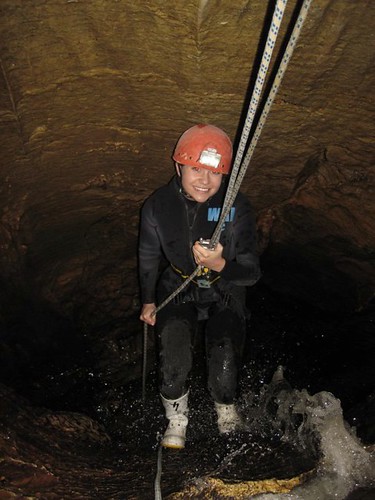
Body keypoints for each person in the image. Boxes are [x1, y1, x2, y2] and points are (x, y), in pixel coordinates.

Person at [138, 123, 261, 449]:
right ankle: (177, 419)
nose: (205, 181)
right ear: (178, 165)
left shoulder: (238, 206)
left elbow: (251, 273)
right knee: (174, 364)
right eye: (195, 169)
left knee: (224, 363)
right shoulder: (157, 206)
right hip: (178, 286)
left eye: (215, 173)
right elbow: (149, 255)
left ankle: (226, 411)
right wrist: (148, 301)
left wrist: (219, 264)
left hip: (225, 290)